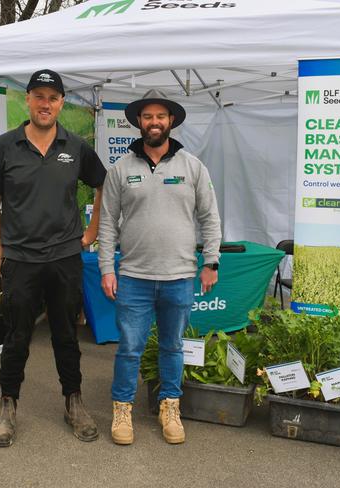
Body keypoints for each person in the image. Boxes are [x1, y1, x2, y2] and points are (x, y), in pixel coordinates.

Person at [0, 69, 106, 447]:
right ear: (29, 100)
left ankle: (74, 401)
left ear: (61, 103)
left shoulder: (76, 147)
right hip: (21, 259)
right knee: (17, 335)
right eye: (39, 96)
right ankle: (7, 404)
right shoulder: (5, 146)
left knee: (66, 335)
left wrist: (93, 231)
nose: (45, 104)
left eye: (53, 97)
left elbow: (103, 184)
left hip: (65, 257)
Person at [98, 90, 221, 445]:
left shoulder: (193, 166)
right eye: (147, 116)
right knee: (129, 349)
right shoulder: (121, 169)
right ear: (139, 122)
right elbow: (107, 224)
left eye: (160, 116)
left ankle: (170, 406)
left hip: (179, 277)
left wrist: (211, 261)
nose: (154, 122)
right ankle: (122, 409)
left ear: (171, 121)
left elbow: (209, 217)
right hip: (134, 277)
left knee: (172, 346)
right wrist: (107, 268)